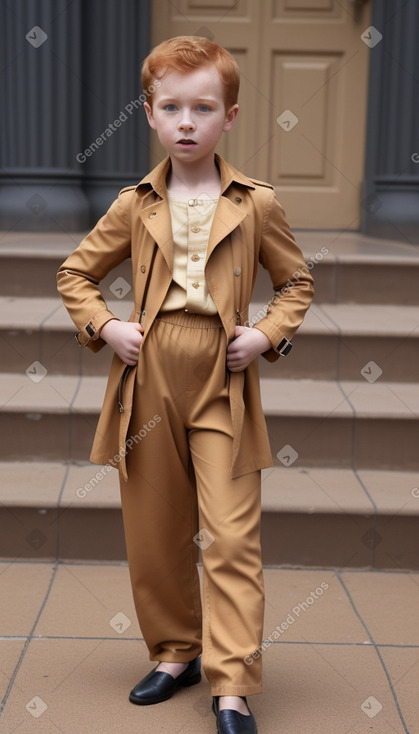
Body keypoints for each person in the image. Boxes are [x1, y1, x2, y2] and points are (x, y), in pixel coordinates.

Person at [57, 35, 314, 734]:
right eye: (171, 106)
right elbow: (75, 274)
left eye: (203, 106)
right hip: (147, 374)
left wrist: (264, 334)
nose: (187, 121)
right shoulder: (134, 203)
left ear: (229, 116)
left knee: (230, 535)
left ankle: (231, 684)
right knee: (155, 531)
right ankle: (176, 652)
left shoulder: (255, 203)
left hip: (220, 376)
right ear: (149, 114)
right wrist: (106, 327)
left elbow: (295, 282)